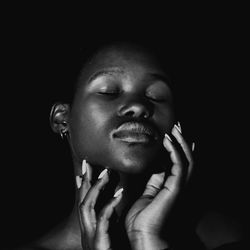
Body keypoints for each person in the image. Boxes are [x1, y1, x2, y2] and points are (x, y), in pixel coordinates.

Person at [11, 39, 244, 250]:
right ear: (62, 119)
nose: (139, 106)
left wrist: (147, 240)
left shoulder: (226, 237)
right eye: (109, 92)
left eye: (156, 96)